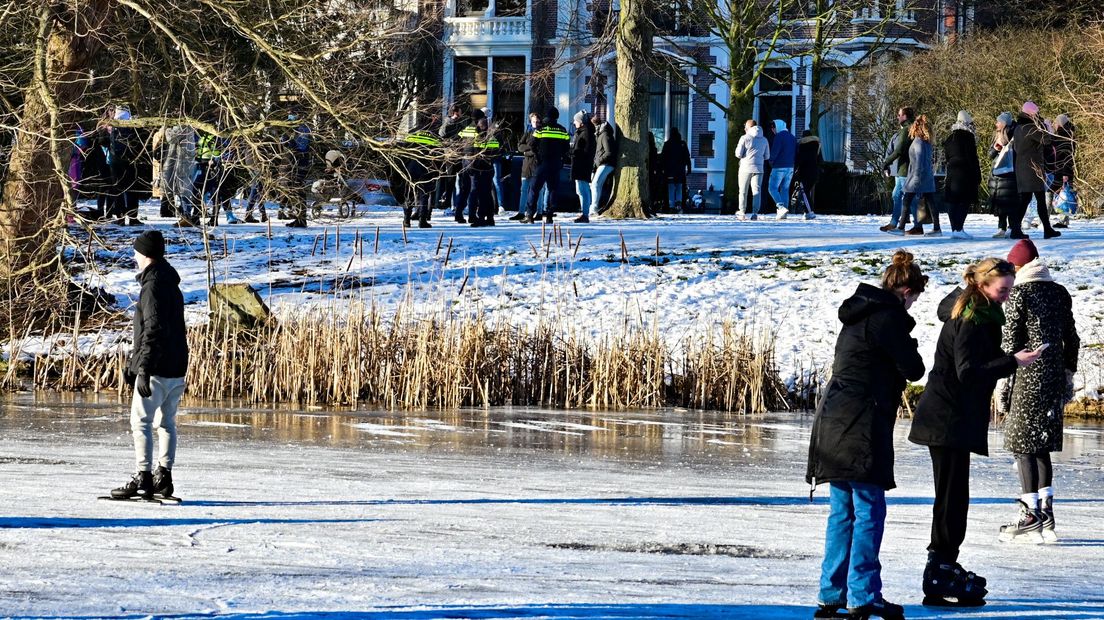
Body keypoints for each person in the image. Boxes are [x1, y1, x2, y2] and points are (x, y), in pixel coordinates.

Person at [908, 257, 1043, 607]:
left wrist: (1010, 358)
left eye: (1010, 289)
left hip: (954, 418)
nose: (1007, 296)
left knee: (954, 497)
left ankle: (942, 564)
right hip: (947, 419)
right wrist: (1013, 361)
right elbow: (967, 370)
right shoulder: (970, 318)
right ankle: (939, 567)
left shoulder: (979, 312)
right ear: (982, 285)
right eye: (1003, 289)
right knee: (952, 497)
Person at [807, 250, 928, 620]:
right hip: (861, 426)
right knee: (869, 511)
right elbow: (915, 368)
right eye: (915, 298)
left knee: (842, 513)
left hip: (832, 422)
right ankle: (863, 595)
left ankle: (831, 595)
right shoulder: (887, 318)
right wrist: (908, 339)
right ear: (906, 290)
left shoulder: (857, 315)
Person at [996, 239, 1080, 543]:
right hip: (1054, 376)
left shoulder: (1020, 293)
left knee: (1022, 445)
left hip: (1027, 373)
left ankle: (1029, 513)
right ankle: (1047, 514)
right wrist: (1067, 372)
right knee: (1041, 446)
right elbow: (1072, 338)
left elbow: (1010, 340)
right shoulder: (1059, 292)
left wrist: (1002, 376)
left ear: (1018, 267)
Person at [111, 230, 189, 501]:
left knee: (141, 421)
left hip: (156, 367)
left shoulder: (152, 285)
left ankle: (143, 477)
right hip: (177, 366)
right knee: (166, 422)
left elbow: (152, 329)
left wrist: (142, 368)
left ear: (145, 254)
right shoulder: (170, 283)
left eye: (136, 252)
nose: (134, 257)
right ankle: (163, 477)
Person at [1011, 102, 1059, 239]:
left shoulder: (1019, 127)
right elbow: (1047, 140)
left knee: (1025, 199)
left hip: (1022, 168)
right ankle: (1046, 229)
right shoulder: (1030, 128)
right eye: (1036, 113)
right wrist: (1047, 127)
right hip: (1032, 168)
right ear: (1032, 114)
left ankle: (1015, 229)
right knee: (1039, 199)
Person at [889, 114, 941, 236]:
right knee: (931, 203)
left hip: (916, 178)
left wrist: (916, 180)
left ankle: (901, 228)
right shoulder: (927, 142)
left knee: (906, 201)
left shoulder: (918, 143)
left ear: (916, 127)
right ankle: (937, 228)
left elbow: (918, 162)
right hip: (927, 178)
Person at [525, 107, 570, 224]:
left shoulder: (540, 129)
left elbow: (531, 143)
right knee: (552, 189)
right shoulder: (562, 130)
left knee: (534, 189)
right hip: (555, 164)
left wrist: (537, 155)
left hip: (542, 163)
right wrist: (561, 160)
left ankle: (530, 215)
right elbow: (567, 148)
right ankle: (549, 215)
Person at [942, 111, 981, 239]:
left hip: (952, 172)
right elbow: (972, 158)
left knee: (952, 201)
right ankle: (959, 228)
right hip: (965, 173)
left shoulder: (949, 138)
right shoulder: (968, 137)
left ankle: (955, 228)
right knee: (964, 201)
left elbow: (947, 157)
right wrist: (977, 175)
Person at [879, 107, 915, 232]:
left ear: (905, 116)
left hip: (905, 169)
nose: (897, 117)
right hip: (903, 169)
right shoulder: (909, 129)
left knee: (908, 197)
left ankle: (916, 225)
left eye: (899, 115)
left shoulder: (906, 130)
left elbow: (898, 150)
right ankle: (895, 223)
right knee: (899, 195)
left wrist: (886, 162)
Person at [513, 112, 547, 222]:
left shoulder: (542, 133)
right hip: (527, 166)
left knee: (539, 190)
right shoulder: (528, 132)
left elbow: (540, 149)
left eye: (537, 121)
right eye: (533, 121)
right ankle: (521, 212)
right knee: (523, 189)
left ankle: (539, 212)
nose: (535, 123)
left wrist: (528, 152)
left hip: (537, 165)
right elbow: (519, 146)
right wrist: (530, 149)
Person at [988, 112, 1018, 239]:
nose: (996, 124)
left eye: (998, 122)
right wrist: (995, 148)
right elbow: (990, 155)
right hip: (997, 176)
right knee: (1000, 203)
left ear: (1004, 123)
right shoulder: (997, 137)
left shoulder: (1015, 136)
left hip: (1010, 176)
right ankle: (1001, 227)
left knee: (1010, 202)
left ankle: (1011, 227)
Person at [465, 117, 499, 227]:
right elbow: (496, 152)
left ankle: (480, 217)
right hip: (487, 169)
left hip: (478, 170)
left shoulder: (475, 138)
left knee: (477, 193)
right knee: (487, 194)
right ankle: (489, 217)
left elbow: (468, 153)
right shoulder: (491, 138)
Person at [437, 104, 467, 221]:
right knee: (450, 181)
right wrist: (451, 122)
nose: (461, 114)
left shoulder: (461, 123)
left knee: (462, 182)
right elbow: (442, 134)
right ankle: (448, 206)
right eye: (460, 111)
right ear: (455, 112)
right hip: (450, 155)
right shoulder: (448, 122)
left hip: (460, 155)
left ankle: (458, 206)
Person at [735, 120, 769, 220]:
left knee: (743, 190)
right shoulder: (764, 139)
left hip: (745, 168)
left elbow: (738, 154)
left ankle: (742, 212)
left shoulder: (744, 138)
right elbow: (767, 156)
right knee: (757, 190)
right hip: (759, 169)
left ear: (749, 127)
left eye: (745, 126)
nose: (744, 128)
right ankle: (755, 213)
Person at [1048, 114, 1075, 229]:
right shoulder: (1062, 135)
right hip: (1058, 170)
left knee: (1062, 194)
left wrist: (1066, 173)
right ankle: (1062, 220)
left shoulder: (1066, 137)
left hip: (1063, 171)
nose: (1054, 124)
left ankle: (1061, 220)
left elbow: (1068, 157)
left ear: (1060, 123)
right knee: (1062, 194)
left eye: (1056, 122)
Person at [767, 119, 796, 219]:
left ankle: (780, 206)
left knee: (772, 188)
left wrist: (771, 161)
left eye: (773, 128)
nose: (772, 130)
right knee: (785, 189)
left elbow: (775, 151)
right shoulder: (792, 137)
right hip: (790, 167)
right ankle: (784, 212)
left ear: (777, 127)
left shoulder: (779, 137)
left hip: (779, 166)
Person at [570, 111, 596, 223]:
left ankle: (585, 214)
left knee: (583, 189)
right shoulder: (585, 132)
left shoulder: (585, 133)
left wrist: (574, 153)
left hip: (582, 164)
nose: (574, 122)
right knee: (581, 189)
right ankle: (584, 213)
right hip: (582, 164)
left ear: (581, 122)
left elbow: (584, 150)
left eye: (576, 120)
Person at [590, 114, 617, 217]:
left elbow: (608, 152)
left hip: (606, 163)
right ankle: (594, 207)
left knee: (596, 184)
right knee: (595, 184)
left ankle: (594, 207)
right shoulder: (600, 134)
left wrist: (599, 161)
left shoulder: (604, 135)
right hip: (602, 163)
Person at [661, 127, 691, 215]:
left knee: (671, 187)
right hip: (680, 170)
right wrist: (689, 168)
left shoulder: (667, 144)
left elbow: (663, 158)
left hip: (669, 170)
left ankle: (671, 205)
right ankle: (678, 203)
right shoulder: (682, 144)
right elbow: (687, 157)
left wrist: (662, 169)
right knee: (679, 186)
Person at [794, 130, 821, 219]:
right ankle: (807, 211)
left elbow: (799, 160)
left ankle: (810, 211)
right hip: (814, 172)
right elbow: (819, 160)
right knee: (807, 191)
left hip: (804, 172)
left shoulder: (802, 146)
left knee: (804, 192)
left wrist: (796, 170)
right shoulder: (817, 146)